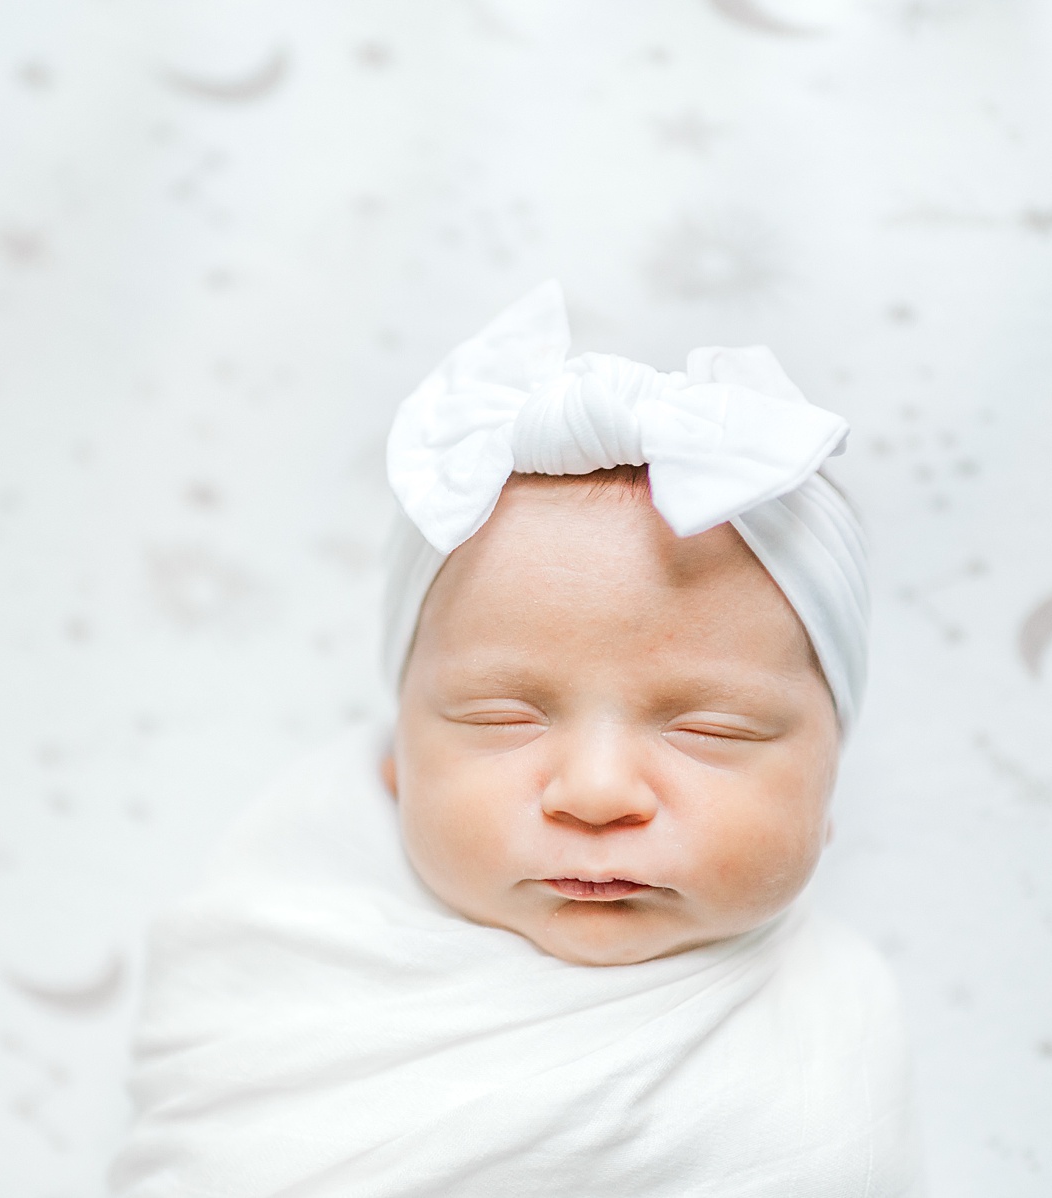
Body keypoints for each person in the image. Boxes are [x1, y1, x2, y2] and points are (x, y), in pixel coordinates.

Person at [110, 282, 922, 1197]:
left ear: (827, 787)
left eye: (711, 729)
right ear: (396, 765)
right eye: (502, 720)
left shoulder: (825, 1039)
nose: (597, 791)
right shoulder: (272, 967)